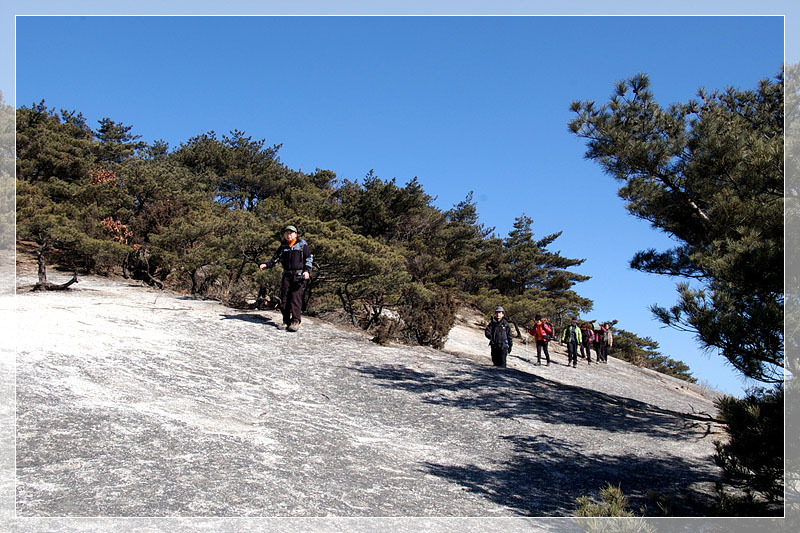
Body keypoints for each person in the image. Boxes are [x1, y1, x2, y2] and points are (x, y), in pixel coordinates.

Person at [260, 225, 313, 332]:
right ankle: (286, 321)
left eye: (291, 233)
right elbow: (275, 259)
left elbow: (308, 258)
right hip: (287, 275)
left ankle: (295, 321)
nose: (288, 235)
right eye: (286, 233)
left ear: (296, 234)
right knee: (284, 299)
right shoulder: (283, 246)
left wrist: (307, 271)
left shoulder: (302, 245)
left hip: (298, 275)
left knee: (295, 298)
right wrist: (266, 265)